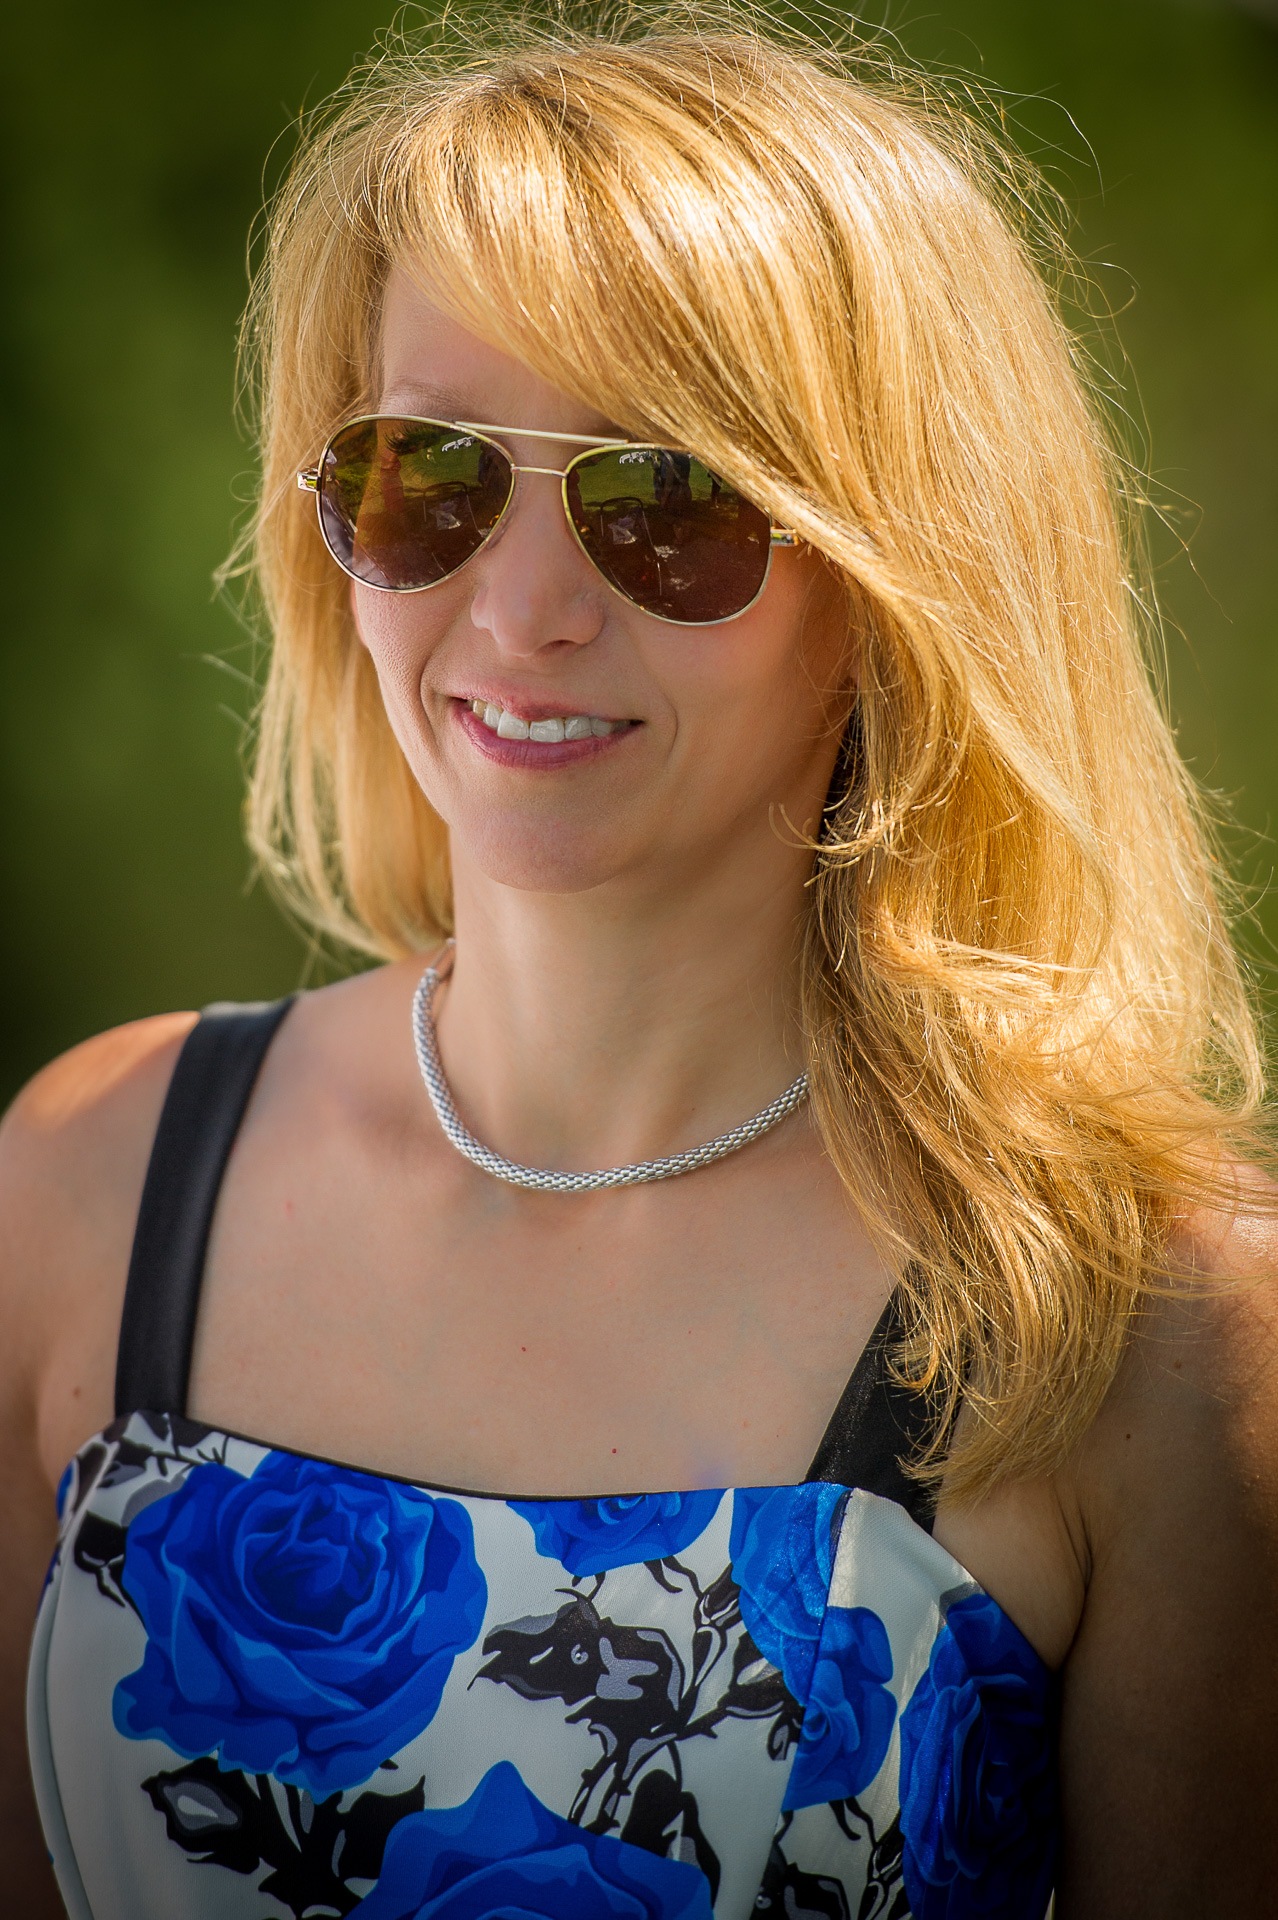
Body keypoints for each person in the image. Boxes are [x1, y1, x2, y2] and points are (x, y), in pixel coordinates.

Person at [3, 15, 1276, 1917]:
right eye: (428, 470)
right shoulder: (87, 1185)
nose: (520, 609)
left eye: (665, 498)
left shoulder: (1144, 1328)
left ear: (899, 584)